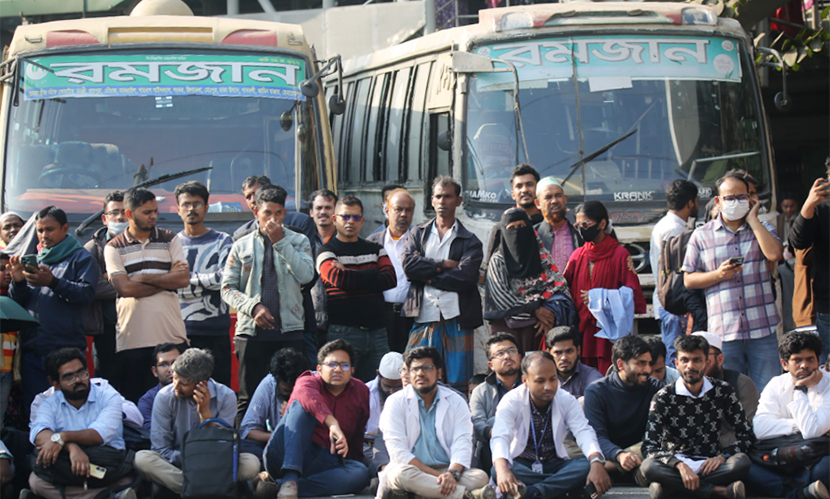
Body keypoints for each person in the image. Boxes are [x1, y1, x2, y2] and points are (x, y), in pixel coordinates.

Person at [221, 185, 315, 424]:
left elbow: (306, 276)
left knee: (295, 393)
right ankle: (245, 450)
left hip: (290, 330)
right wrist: (253, 307)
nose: (273, 219)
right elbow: (227, 288)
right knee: (247, 396)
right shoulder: (241, 244)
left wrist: (280, 242)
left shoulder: (298, 240)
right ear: (256, 212)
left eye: (279, 213)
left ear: (285, 213)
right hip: (251, 333)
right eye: (267, 213)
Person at [683, 173, 783, 391]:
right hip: (724, 331)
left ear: (750, 199)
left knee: (769, 393)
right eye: (729, 198)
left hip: (762, 328)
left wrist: (754, 220)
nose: (736, 202)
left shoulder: (762, 229)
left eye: (741, 197)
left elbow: (775, 254)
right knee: (729, 395)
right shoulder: (701, 235)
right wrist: (718, 275)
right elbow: (689, 279)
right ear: (718, 201)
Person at [105, 188, 190, 403]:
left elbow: (181, 280)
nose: (153, 216)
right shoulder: (113, 247)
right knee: (136, 404)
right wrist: (164, 281)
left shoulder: (170, 238)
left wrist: (142, 277)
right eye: (146, 212)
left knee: (179, 400)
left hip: (172, 338)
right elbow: (124, 289)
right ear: (129, 214)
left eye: (155, 211)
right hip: (132, 340)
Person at [256, 339, 371, 498]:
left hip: (326, 462)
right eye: (331, 365)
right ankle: (289, 479)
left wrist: (355, 463)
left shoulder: (361, 391)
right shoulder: (307, 381)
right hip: (284, 454)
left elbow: (358, 434)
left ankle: (277, 487)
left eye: (344, 365)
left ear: (352, 370)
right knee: (301, 406)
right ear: (319, 369)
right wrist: (332, 423)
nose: (337, 369)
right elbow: (307, 396)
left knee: (360, 473)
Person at [134, 348, 259, 494]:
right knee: (142, 459)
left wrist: (205, 414)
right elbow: (161, 450)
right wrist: (192, 460)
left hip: (216, 465)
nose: (176, 386)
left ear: (202, 383)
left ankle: (193, 490)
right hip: (178, 464)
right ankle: (205, 491)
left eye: (183, 383)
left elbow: (220, 448)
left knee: (251, 463)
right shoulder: (164, 397)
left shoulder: (226, 396)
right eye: (174, 378)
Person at [641, 335, 752, 499]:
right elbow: (649, 446)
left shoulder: (723, 391)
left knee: (741, 462)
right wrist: (679, 465)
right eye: (685, 360)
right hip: (675, 464)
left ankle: (671, 488)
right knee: (649, 467)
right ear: (676, 363)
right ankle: (718, 491)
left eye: (697, 360)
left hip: (711, 464)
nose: (690, 366)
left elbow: (746, 435)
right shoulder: (663, 396)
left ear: (707, 363)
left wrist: (722, 457)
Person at [8, 206, 98, 408]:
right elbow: (18, 304)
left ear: (65, 228)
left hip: (65, 350)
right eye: (40, 230)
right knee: (37, 410)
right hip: (33, 351)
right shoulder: (35, 259)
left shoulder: (81, 258)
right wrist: (19, 281)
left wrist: (53, 282)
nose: (44, 235)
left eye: (49, 229)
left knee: (70, 408)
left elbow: (86, 294)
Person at [490, 351, 611, 499]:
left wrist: (596, 462)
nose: (548, 386)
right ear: (525, 380)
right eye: (540, 381)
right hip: (523, 465)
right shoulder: (511, 400)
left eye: (553, 379)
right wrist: (503, 470)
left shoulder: (566, 399)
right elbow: (500, 436)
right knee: (498, 469)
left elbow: (583, 431)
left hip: (555, 465)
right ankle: (558, 489)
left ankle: (534, 492)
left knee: (586, 464)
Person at [402, 176, 483, 393]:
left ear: (458, 200)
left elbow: (465, 278)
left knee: (458, 382)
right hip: (424, 315)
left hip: (457, 317)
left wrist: (426, 274)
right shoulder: (418, 233)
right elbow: (409, 267)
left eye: (447, 196)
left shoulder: (470, 240)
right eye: (438, 196)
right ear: (431, 200)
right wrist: (444, 264)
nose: (442, 201)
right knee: (419, 379)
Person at [380, 346, 493, 499]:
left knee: (480, 477)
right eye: (415, 369)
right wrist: (440, 477)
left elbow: (463, 441)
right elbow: (398, 452)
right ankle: (467, 496)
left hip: (447, 468)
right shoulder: (395, 402)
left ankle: (419, 495)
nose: (420, 373)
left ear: (439, 373)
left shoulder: (456, 401)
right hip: (413, 470)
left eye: (427, 368)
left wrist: (452, 474)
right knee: (399, 474)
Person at [26, 348, 133, 499]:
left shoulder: (108, 396)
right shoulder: (49, 403)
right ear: (54, 382)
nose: (78, 380)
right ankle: (107, 497)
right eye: (69, 377)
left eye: (82, 373)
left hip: (106, 465)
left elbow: (98, 434)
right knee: (36, 482)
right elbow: (38, 432)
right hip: (67, 467)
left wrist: (63, 437)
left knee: (127, 479)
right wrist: (71, 447)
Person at [317, 195, 397, 381]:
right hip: (343, 332)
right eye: (345, 217)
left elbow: (390, 279)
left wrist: (352, 274)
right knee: (341, 385)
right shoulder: (326, 251)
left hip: (378, 332)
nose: (350, 222)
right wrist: (372, 272)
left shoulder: (376, 248)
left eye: (355, 217)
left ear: (362, 220)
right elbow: (339, 279)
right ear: (335, 219)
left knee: (380, 385)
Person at [563, 201, 646, 373]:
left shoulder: (621, 255)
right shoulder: (577, 255)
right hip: (582, 329)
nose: (581, 229)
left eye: (586, 224)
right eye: (578, 225)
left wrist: (601, 297)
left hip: (608, 329)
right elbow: (564, 288)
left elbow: (632, 293)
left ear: (602, 223)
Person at [749, 330, 829, 499]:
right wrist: (798, 424)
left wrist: (799, 389)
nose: (804, 365)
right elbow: (761, 429)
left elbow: (812, 432)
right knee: (746, 466)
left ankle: (791, 491)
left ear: (817, 360)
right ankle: (800, 494)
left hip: (818, 455)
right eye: (797, 360)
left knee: (825, 467)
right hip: (785, 452)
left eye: (810, 359)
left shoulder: (828, 384)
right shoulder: (776, 384)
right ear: (785, 364)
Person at [484, 208, 577, 354]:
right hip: (509, 332)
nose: (517, 232)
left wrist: (551, 310)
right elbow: (502, 297)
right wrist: (536, 310)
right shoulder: (498, 261)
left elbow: (559, 286)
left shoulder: (541, 255)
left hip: (541, 329)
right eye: (511, 228)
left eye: (521, 226)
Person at [174, 181, 233, 387]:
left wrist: (184, 282)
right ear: (177, 209)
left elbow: (224, 278)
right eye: (186, 204)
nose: (191, 209)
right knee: (182, 391)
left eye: (197, 204)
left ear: (207, 208)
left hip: (216, 331)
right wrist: (206, 282)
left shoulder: (223, 241)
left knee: (219, 390)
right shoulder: (171, 244)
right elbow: (167, 283)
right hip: (180, 332)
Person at [583, 335, 659, 485]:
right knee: (576, 456)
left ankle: (613, 469)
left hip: (642, 452)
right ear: (621, 364)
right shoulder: (596, 391)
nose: (648, 370)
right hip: (609, 454)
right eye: (641, 364)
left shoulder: (656, 388)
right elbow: (597, 436)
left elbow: (658, 436)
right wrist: (619, 455)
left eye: (649, 364)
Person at [650, 180, 698, 363]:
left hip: (664, 298)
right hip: (674, 301)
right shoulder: (676, 229)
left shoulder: (663, 224)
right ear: (690, 203)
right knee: (675, 352)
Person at [84, 191, 128, 385]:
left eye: (125, 212)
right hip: (106, 329)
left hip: (138, 327)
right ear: (104, 218)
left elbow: (156, 280)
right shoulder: (91, 249)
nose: (120, 217)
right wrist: (130, 284)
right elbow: (93, 288)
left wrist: (110, 277)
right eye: (114, 212)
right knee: (106, 383)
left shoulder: (146, 244)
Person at [789, 164, 830, 366]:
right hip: (828, 307)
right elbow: (798, 242)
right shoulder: (821, 209)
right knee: (824, 374)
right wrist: (808, 205)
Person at [367, 189, 416, 354]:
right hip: (381, 315)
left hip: (411, 315)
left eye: (408, 210)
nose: (404, 214)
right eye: (398, 209)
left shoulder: (420, 241)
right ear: (387, 211)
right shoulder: (372, 243)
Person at [470, 333, 523, 477]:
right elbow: (477, 424)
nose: (507, 356)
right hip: (493, 446)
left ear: (519, 357)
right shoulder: (480, 391)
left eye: (511, 351)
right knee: (493, 422)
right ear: (491, 365)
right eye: (500, 353)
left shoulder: (531, 385)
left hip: (529, 443)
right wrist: (498, 433)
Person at [240, 348, 310, 455]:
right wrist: (277, 436)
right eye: (286, 390)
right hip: (276, 445)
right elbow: (248, 430)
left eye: (295, 390)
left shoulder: (311, 385)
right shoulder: (269, 384)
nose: (291, 394)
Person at [234, 175, 316, 242]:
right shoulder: (240, 236)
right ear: (255, 212)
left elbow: (307, 259)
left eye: (256, 194)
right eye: (248, 197)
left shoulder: (300, 224)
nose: (253, 200)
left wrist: (280, 240)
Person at [365, 351, 404, 474]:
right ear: (378, 374)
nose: (392, 392)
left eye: (398, 387)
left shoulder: (412, 393)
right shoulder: (364, 391)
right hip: (370, 446)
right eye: (388, 387)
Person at [308, 188, 338, 345]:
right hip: (309, 321)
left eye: (328, 207)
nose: (323, 212)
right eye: (319, 208)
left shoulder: (348, 241)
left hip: (340, 323)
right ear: (311, 212)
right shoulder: (302, 241)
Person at [534, 177, 582, 273]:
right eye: (548, 197)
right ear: (538, 203)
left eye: (558, 196)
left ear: (565, 199)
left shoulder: (580, 231)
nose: (554, 201)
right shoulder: (533, 234)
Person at [137, 343, 183, 431]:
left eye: (176, 363)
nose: (171, 369)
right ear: (154, 371)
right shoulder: (147, 400)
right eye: (164, 364)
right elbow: (150, 431)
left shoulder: (197, 392)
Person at [546, 326, 601, 398]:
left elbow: (598, 397)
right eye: (558, 352)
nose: (564, 358)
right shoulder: (541, 376)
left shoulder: (591, 375)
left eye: (569, 351)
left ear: (578, 350)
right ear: (548, 353)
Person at [0, 252, 17, 432]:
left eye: (9, 269)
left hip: (8, 370)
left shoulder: (16, 298)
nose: (6, 273)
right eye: (1, 269)